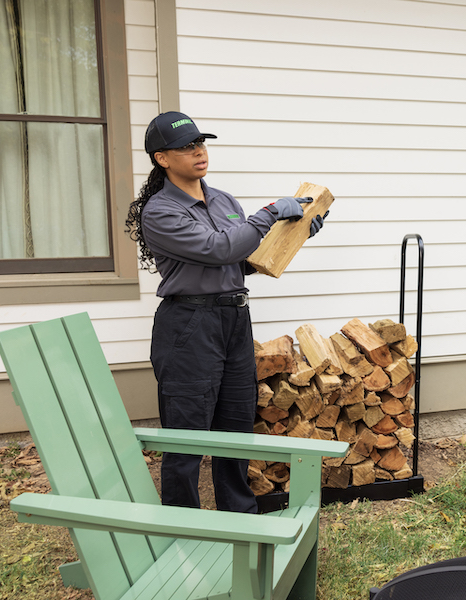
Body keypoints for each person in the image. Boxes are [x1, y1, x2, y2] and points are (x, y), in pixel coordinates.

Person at [124, 111, 325, 513]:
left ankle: (239, 517)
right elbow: (220, 249)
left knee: (235, 427)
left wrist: (295, 233)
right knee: (187, 436)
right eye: (186, 146)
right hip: (189, 326)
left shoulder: (222, 200)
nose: (198, 151)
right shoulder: (161, 212)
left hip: (233, 319)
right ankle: (183, 527)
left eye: (201, 142)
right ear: (162, 158)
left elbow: (240, 259)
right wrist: (270, 213)